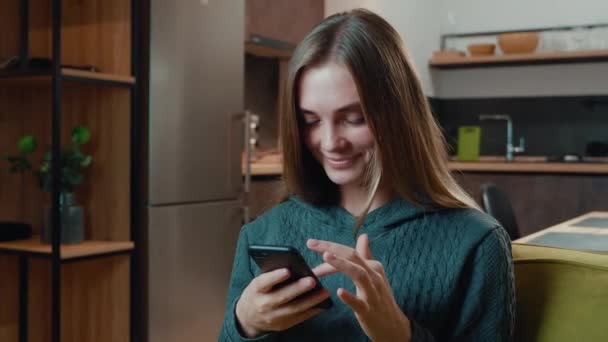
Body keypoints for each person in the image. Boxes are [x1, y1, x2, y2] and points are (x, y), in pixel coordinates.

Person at [219, 8, 514, 342]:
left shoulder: (476, 244)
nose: (330, 143)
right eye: (311, 120)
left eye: (354, 118)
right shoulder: (263, 232)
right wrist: (244, 323)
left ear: (400, 114)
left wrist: (400, 335)